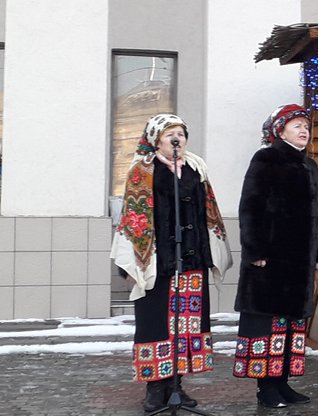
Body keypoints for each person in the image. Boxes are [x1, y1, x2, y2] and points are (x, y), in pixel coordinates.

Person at [110, 114, 233, 412]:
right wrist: (128, 266)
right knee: (156, 324)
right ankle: (156, 388)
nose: (178, 138)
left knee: (187, 323)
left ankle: (176, 384)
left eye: (181, 133)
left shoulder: (195, 168)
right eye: (171, 134)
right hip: (156, 262)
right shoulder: (143, 171)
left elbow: (209, 212)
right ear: (156, 140)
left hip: (191, 260)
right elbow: (131, 218)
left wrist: (209, 252)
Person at [234, 104, 318, 408]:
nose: (304, 131)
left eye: (306, 126)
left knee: (290, 326)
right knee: (269, 326)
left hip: (299, 262)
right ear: (280, 129)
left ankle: (283, 382)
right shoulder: (266, 158)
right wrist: (255, 250)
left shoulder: (310, 166)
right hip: (271, 261)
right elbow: (250, 205)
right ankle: (267, 389)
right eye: (297, 125)